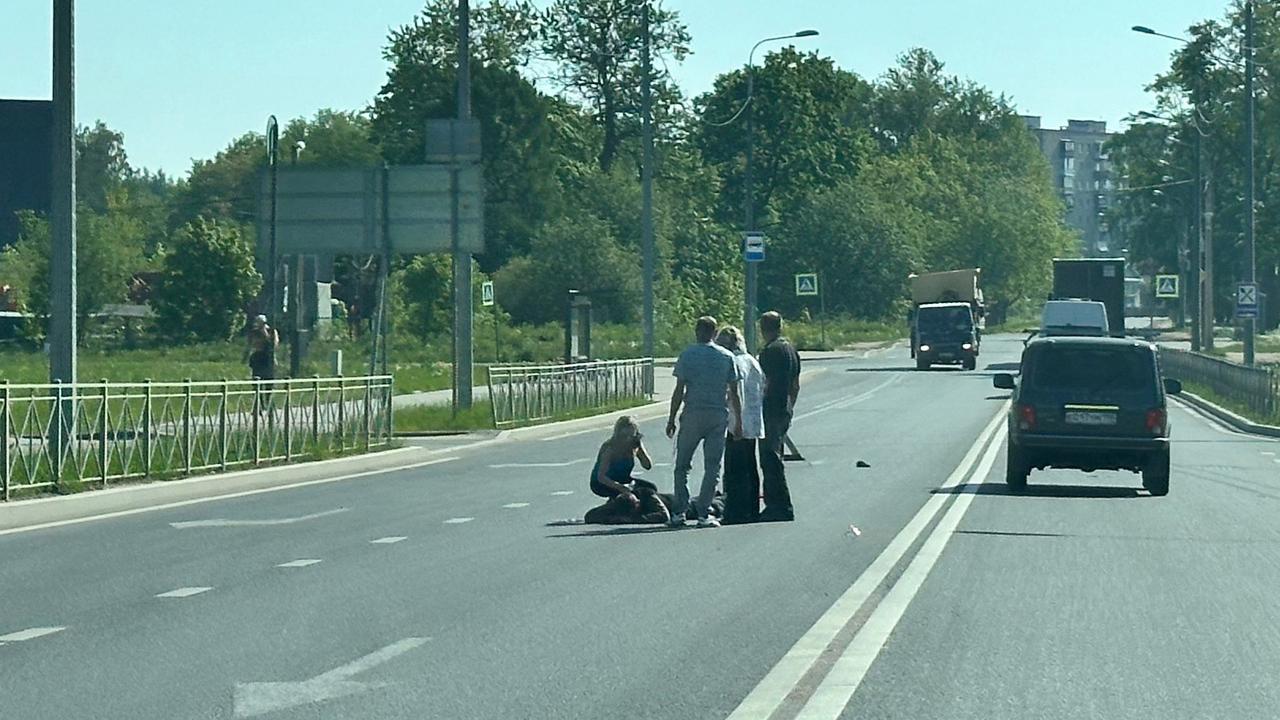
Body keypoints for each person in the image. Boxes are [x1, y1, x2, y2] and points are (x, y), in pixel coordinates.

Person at [666, 316, 743, 529]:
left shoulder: (687, 355)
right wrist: (738, 422)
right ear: (714, 333)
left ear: (696, 331)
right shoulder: (727, 357)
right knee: (713, 466)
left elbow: (679, 390)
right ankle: (703, 513)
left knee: (682, 465)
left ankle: (680, 512)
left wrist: (671, 419)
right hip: (718, 416)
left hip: (692, 415)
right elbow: (734, 393)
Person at [716, 326, 764, 524]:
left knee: (734, 469)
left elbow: (734, 395)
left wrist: (736, 423)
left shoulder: (732, 363)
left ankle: (736, 511)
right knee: (750, 466)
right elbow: (763, 386)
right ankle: (752, 508)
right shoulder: (752, 360)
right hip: (753, 421)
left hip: (736, 422)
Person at [583, 416, 670, 525]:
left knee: (650, 488)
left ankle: (637, 508)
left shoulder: (634, 445)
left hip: (623, 478)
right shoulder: (610, 447)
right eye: (624, 436)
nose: (627, 439)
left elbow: (647, 465)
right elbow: (601, 476)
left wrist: (639, 449)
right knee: (625, 493)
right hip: (602, 482)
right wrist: (620, 487)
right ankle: (614, 509)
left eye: (631, 436)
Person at [758, 311, 801, 522]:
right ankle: (777, 504)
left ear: (763, 327)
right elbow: (795, 384)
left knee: (770, 458)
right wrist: (790, 406)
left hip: (770, 409)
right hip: (784, 408)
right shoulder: (790, 349)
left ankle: (779, 505)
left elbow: (765, 383)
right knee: (776, 455)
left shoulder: (770, 351)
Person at [245, 315, 279, 380]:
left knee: (268, 379)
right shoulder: (254, 332)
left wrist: (264, 332)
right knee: (256, 377)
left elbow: (274, 344)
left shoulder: (271, 331)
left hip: (268, 357)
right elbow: (251, 344)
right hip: (257, 357)